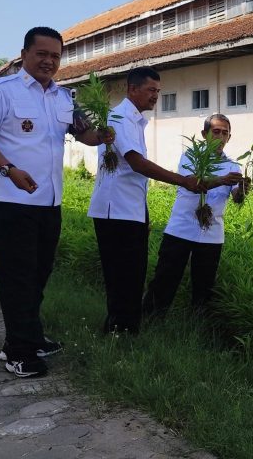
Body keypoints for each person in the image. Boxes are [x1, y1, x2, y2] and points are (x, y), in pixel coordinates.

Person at [0, 26, 111, 378]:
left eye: (55, 56)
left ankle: (28, 336)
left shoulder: (63, 97)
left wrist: (102, 134)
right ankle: (19, 352)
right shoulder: (3, 91)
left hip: (49, 200)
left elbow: (83, 134)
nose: (49, 61)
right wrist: (8, 168)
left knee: (38, 273)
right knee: (17, 276)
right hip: (8, 200)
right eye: (42, 54)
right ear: (24, 55)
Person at [88, 67, 202, 334]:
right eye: (151, 90)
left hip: (129, 209)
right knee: (122, 274)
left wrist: (144, 213)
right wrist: (182, 180)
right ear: (132, 89)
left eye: (158, 91)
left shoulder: (134, 120)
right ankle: (119, 330)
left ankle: (123, 328)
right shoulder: (120, 118)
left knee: (133, 273)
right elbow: (137, 163)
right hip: (114, 210)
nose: (156, 96)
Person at [141, 114, 243, 317]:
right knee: (165, 279)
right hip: (181, 228)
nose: (221, 137)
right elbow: (194, 184)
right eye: (216, 132)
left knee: (204, 287)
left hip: (211, 234)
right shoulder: (190, 156)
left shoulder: (233, 166)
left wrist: (242, 191)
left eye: (225, 133)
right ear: (205, 134)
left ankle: (196, 327)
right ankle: (149, 320)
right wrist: (222, 180)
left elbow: (237, 198)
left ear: (229, 137)